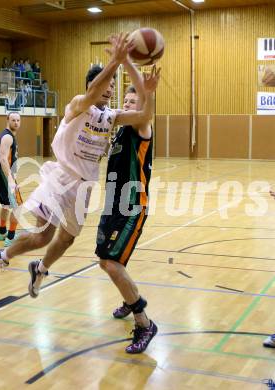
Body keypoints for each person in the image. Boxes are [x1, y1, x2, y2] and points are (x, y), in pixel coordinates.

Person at [0, 34, 159, 312]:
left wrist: (149, 92)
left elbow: (143, 117)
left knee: (66, 239)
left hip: (83, 186)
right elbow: (91, 94)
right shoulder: (78, 105)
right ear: (93, 85)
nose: (110, 89)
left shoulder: (111, 117)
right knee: (42, 235)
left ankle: (41, 268)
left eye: (112, 85)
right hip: (60, 176)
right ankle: (1, 257)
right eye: (106, 84)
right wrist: (115, 62)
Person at [95, 57, 159, 354]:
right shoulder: (119, 130)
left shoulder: (141, 126)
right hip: (112, 205)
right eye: (128, 100)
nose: (130, 105)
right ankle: (128, 297)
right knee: (106, 261)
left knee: (112, 262)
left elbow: (145, 110)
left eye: (135, 101)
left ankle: (144, 322)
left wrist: (129, 65)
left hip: (132, 206)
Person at [0, 112, 23, 247]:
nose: (16, 122)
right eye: (13, 120)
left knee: (5, 204)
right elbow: (3, 159)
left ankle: (2, 232)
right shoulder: (8, 136)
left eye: (18, 120)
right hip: (2, 173)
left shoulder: (6, 134)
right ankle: (11, 237)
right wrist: (10, 179)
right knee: (18, 206)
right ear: (7, 120)